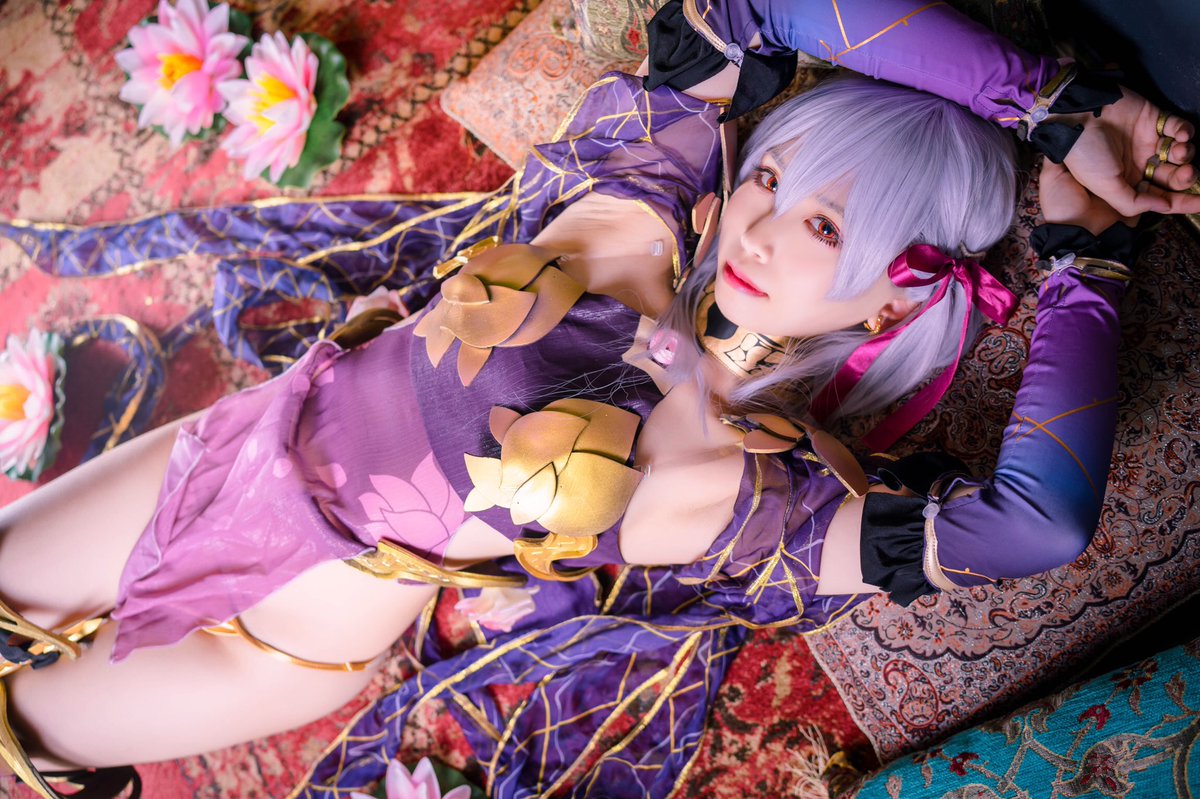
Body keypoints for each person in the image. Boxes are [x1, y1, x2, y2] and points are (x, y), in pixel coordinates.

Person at [0, 1, 1197, 796]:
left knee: (23, 741)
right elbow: (754, 6)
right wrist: (1057, 105)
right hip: (234, 440)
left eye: (826, 228)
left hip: (284, 639)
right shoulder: (629, 209)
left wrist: (1083, 262)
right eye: (771, 176)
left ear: (892, 305)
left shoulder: (735, 486)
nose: (760, 225)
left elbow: (1034, 526)